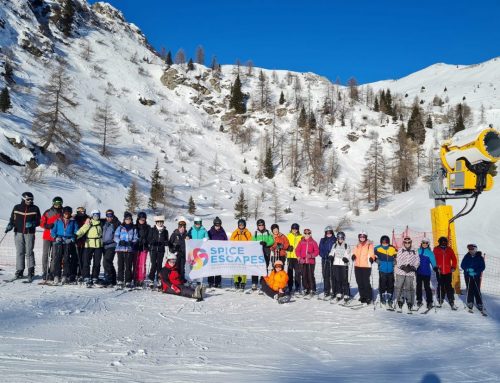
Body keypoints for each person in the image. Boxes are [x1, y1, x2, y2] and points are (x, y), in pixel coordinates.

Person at [5, 192, 41, 282]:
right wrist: (10, 225)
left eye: (31, 199)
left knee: (29, 252)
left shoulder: (35, 208)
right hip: (18, 232)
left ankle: (30, 271)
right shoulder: (17, 207)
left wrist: (33, 224)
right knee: (20, 252)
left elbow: (39, 221)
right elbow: (12, 219)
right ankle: (19, 271)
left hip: (29, 233)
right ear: (23, 199)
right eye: (28, 199)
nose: (30, 201)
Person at [50, 206, 79, 284]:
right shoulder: (58, 221)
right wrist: (55, 237)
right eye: (65, 213)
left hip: (68, 242)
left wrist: (72, 239)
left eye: (68, 213)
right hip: (59, 241)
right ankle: (56, 275)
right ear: (63, 213)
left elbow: (76, 232)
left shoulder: (73, 221)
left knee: (66, 259)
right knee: (57, 258)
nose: (67, 215)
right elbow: (53, 231)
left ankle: (65, 275)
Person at [76, 210, 104, 286]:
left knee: (97, 262)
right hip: (89, 244)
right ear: (92, 215)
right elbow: (83, 229)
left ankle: (95, 276)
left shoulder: (101, 223)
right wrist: (76, 235)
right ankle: (86, 276)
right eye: (95, 215)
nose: (96, 217)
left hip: (98, 244)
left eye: (98, 215)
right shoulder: (89, 222)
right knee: (86, 261)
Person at [40, 196, 63, 280]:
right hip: (47, 236)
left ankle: (52, 272)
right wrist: (47, 225)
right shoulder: (48, 212)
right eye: (56, 204)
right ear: (53, 203)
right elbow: (41, 223)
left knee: (55, 255)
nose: (57, 205)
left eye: (59, 204)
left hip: (57, 237)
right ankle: (45, 272)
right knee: (45, 254)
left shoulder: (63, 213)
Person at [394, 237, 420, 311]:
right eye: (406, 242)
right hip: (401, 271)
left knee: (409, 287)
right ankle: (400, 300)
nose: (407, 244)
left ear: (411, 243)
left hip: (410, 272)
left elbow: (417, 260)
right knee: (399, 286)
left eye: (409, 242)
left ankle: (409, 301)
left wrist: (413, 267)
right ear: (403, 243)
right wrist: (402, 266)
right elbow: (398, 260)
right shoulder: (400, 250)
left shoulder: (415, 250)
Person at [114, 212, 138, 289]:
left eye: (129, 219)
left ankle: (128, 281)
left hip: (129, 249)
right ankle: (120, 280)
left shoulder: (134, 228)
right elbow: (115, 236)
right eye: (126, 219)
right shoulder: (120, 227)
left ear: (131, 220)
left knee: (128, 266)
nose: (128, 220)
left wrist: (132, 242)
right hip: (120, 249)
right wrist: (120, 241)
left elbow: (136, 238)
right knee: (120, 265)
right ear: (124, 219)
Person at [433, 236, 457, 308]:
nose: (443, 244)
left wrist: (453, 267)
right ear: (439, 242)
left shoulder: (449, 249)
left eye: (445, 242)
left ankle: (451, 299)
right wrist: (435, 267)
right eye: (442, 242)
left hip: (448, 271)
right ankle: (440, 298)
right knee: (440, 285)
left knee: (448, 285)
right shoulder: (436, 249)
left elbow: (454, 259)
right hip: (439, 270)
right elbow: (433, 259)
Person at [351, 230, 375, 304]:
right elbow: (354, 252)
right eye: (360, 237)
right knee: (359, 282)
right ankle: (363, 296)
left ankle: (368, 297)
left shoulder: (369, 245)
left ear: (366, 237)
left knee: (366, 282)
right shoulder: (357, 245)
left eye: (363, 237)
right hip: (357, 265)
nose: (362, 238)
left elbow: (372, 254)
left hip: (366, 266)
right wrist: (353, 256)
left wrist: (372, 258)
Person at [460, 244, 486, 311]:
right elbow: (462, 265)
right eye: (469, 249)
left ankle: (479, 303)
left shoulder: (479, 257)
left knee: (477, 289)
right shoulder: (467, 256)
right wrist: (467, 269)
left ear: (475, 249)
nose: (470, 250)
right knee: (469, 289)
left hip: (476, 276)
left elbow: (482, 267)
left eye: (472, 249)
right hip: (467, 275)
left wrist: (476, 272)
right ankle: (470, 302)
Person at [295, 228, 319, 297]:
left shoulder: (313, 242)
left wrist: (311, 255)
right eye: (305, 233)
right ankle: (306, 288)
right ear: (304, 234)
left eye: (308, 233)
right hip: (303, 261)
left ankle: (312, 289)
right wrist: (299, 258)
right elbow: (297, 250)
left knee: (310, 275)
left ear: (310, 234)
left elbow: (317, 251)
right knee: (304, 275)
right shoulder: (301, 241)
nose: (307, 235)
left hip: (310, 262)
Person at [374, 235, 397, 306]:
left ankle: (390, 298)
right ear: (381, 242)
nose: (385, 244)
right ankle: (382, 297)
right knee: (382, 284)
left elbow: (397, 255)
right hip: (382, 270)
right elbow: (372, 255)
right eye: (383, 242)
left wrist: (395, 261)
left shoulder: (392, 248)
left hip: (390, 270)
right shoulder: (377, 248)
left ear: (388, 242)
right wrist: (376, 260)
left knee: (390, 284)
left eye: (386, 242)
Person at [252, 219, 274, 290]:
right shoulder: (255, 233)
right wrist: (258, 243)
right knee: (256, 267)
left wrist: (266, 243)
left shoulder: (268, 232)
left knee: (264, 267)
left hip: (266, 251)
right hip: (257, 252)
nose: (261, 226)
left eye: (262, 225)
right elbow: (252, 241)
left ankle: (263, 283)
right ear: (257, 226)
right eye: (259, 225)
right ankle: (254, 283)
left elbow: (272, 241)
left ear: (264, 225)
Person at [147, 215, 169, 288]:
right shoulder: (152, 229)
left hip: (161, 250)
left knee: (159, 265)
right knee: (153, 265)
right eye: (158, 222)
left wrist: (165, 243)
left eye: (161, 222)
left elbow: (166, 240)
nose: (160, 223)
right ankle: (151, 279)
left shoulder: (165, 231)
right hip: (153, 249)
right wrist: (152, 242)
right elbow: (149, 239)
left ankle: (159, 279)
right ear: (156, 222)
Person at [230, 218, 252, 290]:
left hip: (245, 253)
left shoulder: (248, 233)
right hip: (236, 253)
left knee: (243, 268)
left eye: (242, 224)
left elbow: (251, 241)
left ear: (244, 225)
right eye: (240, 224)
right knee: (236, 267)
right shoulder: (235, 232)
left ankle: (243, 282)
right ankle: (236, 281)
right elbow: (231, 241)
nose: (241, 226)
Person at [329, 231, 351, 302]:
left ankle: (346, 293)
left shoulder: (346, 245)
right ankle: (339, 292)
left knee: (344, 279)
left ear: (344, 238)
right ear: (337, 238)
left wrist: (346, 258)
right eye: (339, 238)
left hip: (343, 264)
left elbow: (348, 252)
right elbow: (332, 251)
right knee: (337, 279)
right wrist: (331, 256)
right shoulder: (334, 245)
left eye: (341, 238)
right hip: (336, 264)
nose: (340, 239)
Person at [416, 238, 437, 309]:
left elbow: (433, 261)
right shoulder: (418, 251)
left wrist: (435, 267)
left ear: (428, 244)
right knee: (418, 287)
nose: (424, 244)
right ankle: (419, 300)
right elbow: (414, 259)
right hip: (418, 272)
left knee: (427, 287)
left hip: (426, 273)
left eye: (426, 243)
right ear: (421, 243)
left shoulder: (430, 253)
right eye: (423, 243)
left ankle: (429, 301)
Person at [207, 216, 228, 288]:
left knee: (218, 267)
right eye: (216, 225)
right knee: (211, 268)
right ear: (214, 224)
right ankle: (210, 282)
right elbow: (206, 240)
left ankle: (218, 282)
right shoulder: (210, 232)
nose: (218, 227)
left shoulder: (222, 231)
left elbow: (226, 240)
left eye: (219, 225)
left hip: (219, 252)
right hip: (212, 252)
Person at [102, 209, 120, 286]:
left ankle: (108, 278)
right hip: (104, 245)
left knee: (106, 261)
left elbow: (118, 234)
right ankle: (113, 280)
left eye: (111, 216)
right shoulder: (105, 223)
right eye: (107, 216)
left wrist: (114, 240)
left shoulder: (116, 223)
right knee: (109, 262)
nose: (109, 217)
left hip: (112, 245)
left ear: (113, 215)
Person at [169, 217, 189, 282]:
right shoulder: (174, 234)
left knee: (182, 268)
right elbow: (170, 244)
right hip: (176, 254)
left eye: (183, 227)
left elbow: (190, 244)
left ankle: (181, 279)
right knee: (176, 266)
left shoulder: (186, 235)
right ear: (178, 227)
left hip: (183, 254)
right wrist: (172, 251)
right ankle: (175, 278)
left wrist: (189, 239)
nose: (182, 228)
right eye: (181, 227)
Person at [319, 226, 336, 298]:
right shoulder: (323, 240)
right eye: (327, 232)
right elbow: (320, 249)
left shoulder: (335, 239)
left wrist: (333, 255)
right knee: (325, 275)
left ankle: (334, 290)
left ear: (332, 232)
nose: (328, 234)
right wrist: (324, 254)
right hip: (325, 259)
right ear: (325, 233)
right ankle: (326, 290)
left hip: (333, 259)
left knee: (333, 275)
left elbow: (338, 249)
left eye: (330, 232)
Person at [135, 211, 151, 287]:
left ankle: (141, 279)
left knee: (142, 263)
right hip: (136, 247)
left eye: (143, 219)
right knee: (136, 263)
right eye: (140, 219)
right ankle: (136, 278)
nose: (142, 220)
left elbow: (150, 237)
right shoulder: (135, 226)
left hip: (144, 247)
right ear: (138, 219)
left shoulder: (147, 227)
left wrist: (146, 240)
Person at [286, 223, 302, 294]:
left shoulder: (301, 237)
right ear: (291, 229)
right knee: (289, 272)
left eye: (296, 229)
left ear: (298, 229)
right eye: (293, 229)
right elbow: (285, 244)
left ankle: (297, 287)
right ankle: (289, 286)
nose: (294, 230)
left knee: (298, 273)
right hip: (289, 256)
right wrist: (288, 248)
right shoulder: (288, 236)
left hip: (297, 257)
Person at [74, 207, 88, 281]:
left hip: (84, 240)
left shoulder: (87, 218)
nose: (83, 213)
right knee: (75, 257)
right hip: (77, 239)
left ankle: (81, 273)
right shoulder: (75, 218)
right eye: (81, 212)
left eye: (84, 212)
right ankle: (74, 273)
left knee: (83, 258)